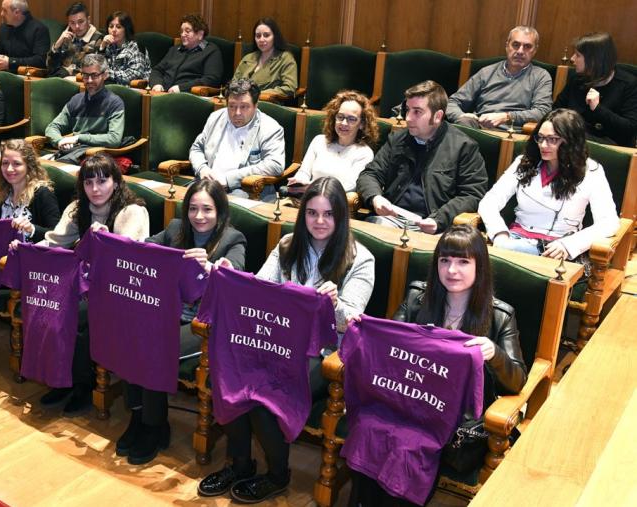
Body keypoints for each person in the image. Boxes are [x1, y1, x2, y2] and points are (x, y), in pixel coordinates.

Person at [198, 176, 374, 503]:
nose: (319, 222)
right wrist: (230, 276)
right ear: (302, 214)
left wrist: (335, 305)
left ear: (341, 216)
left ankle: (278, 475)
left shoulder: (360, 258)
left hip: (324, 354)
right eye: (312, 213)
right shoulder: (287, 245)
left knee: (266, 395)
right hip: (274, 341)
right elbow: (261, 291)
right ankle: (240, 464)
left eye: (328, 214)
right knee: (228, 374)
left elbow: (352, 323)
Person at [350, 224, 527, 506]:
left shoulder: (499, 315)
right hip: (407, 399)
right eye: (444, 260)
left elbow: (517, 380)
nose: (452, 270)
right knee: (370, 425)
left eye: (462, 261)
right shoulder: (417, 298)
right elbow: (388, 346)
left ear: (479, 266)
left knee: (410, 444)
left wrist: (494, 353)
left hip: (454, 418)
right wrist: (365, 331)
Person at [118, 179, 246, 465]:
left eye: (207, 209)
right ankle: (138, 417)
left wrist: (212, 269)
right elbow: (142, 250)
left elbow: (236, 279)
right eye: (193, 208)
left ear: (220, 212)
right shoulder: (176, 229)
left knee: (153, 348)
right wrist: (115, 237)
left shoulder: (233, 239)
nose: (199, 216)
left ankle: (155, 426)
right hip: (167, 313)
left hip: (204, 325)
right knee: (129, 336)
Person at [38, 152, 149, 413]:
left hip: (121, 293)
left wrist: (107, 239)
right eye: (88, 183)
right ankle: (64, 380)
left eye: (102, 181)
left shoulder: (132, 211)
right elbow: (54, 242)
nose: (95, 189)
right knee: (52, 306)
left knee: (74, 317)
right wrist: (25, 248)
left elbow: (127, 260)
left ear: (117, 182)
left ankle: (83, 387)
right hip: (88, 286)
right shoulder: (79, 209)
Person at [478, 108, 619, 261]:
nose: (543, 145)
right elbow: (490, 201)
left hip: (559, 248)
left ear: (571, 141)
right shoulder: (524, 162)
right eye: (540, 138)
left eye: (553, 139)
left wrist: (570, 245)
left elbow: (608, 222)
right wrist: (499, 234)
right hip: (515, 240)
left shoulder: (591, 171)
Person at [356, 80, 488, 234]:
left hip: (434, 227)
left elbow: (472, 194)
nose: (408, 118)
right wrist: (375, 197)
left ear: (437, 116)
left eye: (417, 112)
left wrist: (438, 220)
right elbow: (370, 174)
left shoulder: (464, 147)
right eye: (407, 110)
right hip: (390, 219)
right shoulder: (397, 139)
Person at [190, 79, 285, 200]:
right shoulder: (215, 118)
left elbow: (275, 165)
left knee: (229, 205)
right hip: (208, 184)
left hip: (245, 189)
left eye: (244, 107)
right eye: (232, 106)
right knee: (186, 199)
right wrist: (202, 168)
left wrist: (228, 179)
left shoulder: (270, 128)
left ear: (256, 105)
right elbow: (196, 148)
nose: (237, 113)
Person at [446, 26, 552, 130]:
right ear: (507, 46)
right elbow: (452, 102)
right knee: (463, 123)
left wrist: (507, 117)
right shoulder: (486, 72)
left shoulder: (541, 76)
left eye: (527, 46)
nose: (520, 51)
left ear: (535, 50)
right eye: (515, 45)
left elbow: (542, 112)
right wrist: (460, 116)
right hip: (480, 128)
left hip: (514, 133)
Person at [553, 32, 637, 147]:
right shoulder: (576, 80)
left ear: (594, 60)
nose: (572, 59)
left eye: (577, 55)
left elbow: (629, 129)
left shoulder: (628, 84)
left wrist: (598, 109)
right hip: (573, 144)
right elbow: (555, 111)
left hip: (609, 149)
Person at [289, 90, 378, 191]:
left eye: (351, 119)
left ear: (362, 124)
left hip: (335, 202)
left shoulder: (364, 153)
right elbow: (304, 172)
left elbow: (350, 186)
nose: (344, 123)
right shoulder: (319, 141)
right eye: (340, 117)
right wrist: (299, 181)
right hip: (307, 196)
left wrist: (311, 188)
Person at [45, 54, 124, 157]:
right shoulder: (76, 100)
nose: (89, 80)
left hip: (98, 157)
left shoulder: (115, 102)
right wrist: (59, 141)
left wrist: (78, 138)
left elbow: (114, 139)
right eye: (85, 75)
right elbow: (52, 127)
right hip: (73, 152)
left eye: (94, 75)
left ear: (105, 75)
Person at [0, 138, 61, 240]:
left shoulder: (42, 194)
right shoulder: (2, 193)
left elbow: (57, 236)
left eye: (17, 164)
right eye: (5, 163)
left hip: (31, 254)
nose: (9, 169)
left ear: (29, 166)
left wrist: (32, 229)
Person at [149, 13, 222, 93]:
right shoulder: (174, 50)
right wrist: (157, 84)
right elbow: (157, 70)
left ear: (200, 34)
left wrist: (181, 88)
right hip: (162, 93)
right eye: (181, 31)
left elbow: (211, 79)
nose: (183, 34)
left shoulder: (211, 51)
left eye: (187, 31)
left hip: (188, 96)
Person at [232, 18, 297, 98]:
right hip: (240, 103)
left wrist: (258, 95)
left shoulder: (285, 58)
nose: (261, 39)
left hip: (267, 104)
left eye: (266, 35)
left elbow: (289, 88)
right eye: (258, 36)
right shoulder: (248, 58)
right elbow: (234, 84)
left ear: (275, 36)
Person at [0, 0, 50, 73]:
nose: (1, 14)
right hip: (5, 74)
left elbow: (40, 60)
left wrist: (10, 62)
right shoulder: (4, 28)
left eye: (5, 11)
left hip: (28, 77)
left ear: (17, 12)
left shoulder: (39, 29)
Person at [47, 2, 101, 80]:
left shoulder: (98, 39)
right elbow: (50, 68)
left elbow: (94, 72)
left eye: (81, 22)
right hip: (59, 82)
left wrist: (68, 76)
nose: (77, 27)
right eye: (72, 23)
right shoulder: (67, 37)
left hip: (82, 85)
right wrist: (57, 45)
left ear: (88, 20)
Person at [98, 11, 150, 86]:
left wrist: (108, 74)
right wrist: (102, 47)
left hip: (134, 90)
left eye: (118, 27)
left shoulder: (136, 47)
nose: (114, 30)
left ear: (126, 29)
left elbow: (135, 74)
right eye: (111, 26)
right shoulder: (109, 45)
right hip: (111, 87)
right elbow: (95, 67)